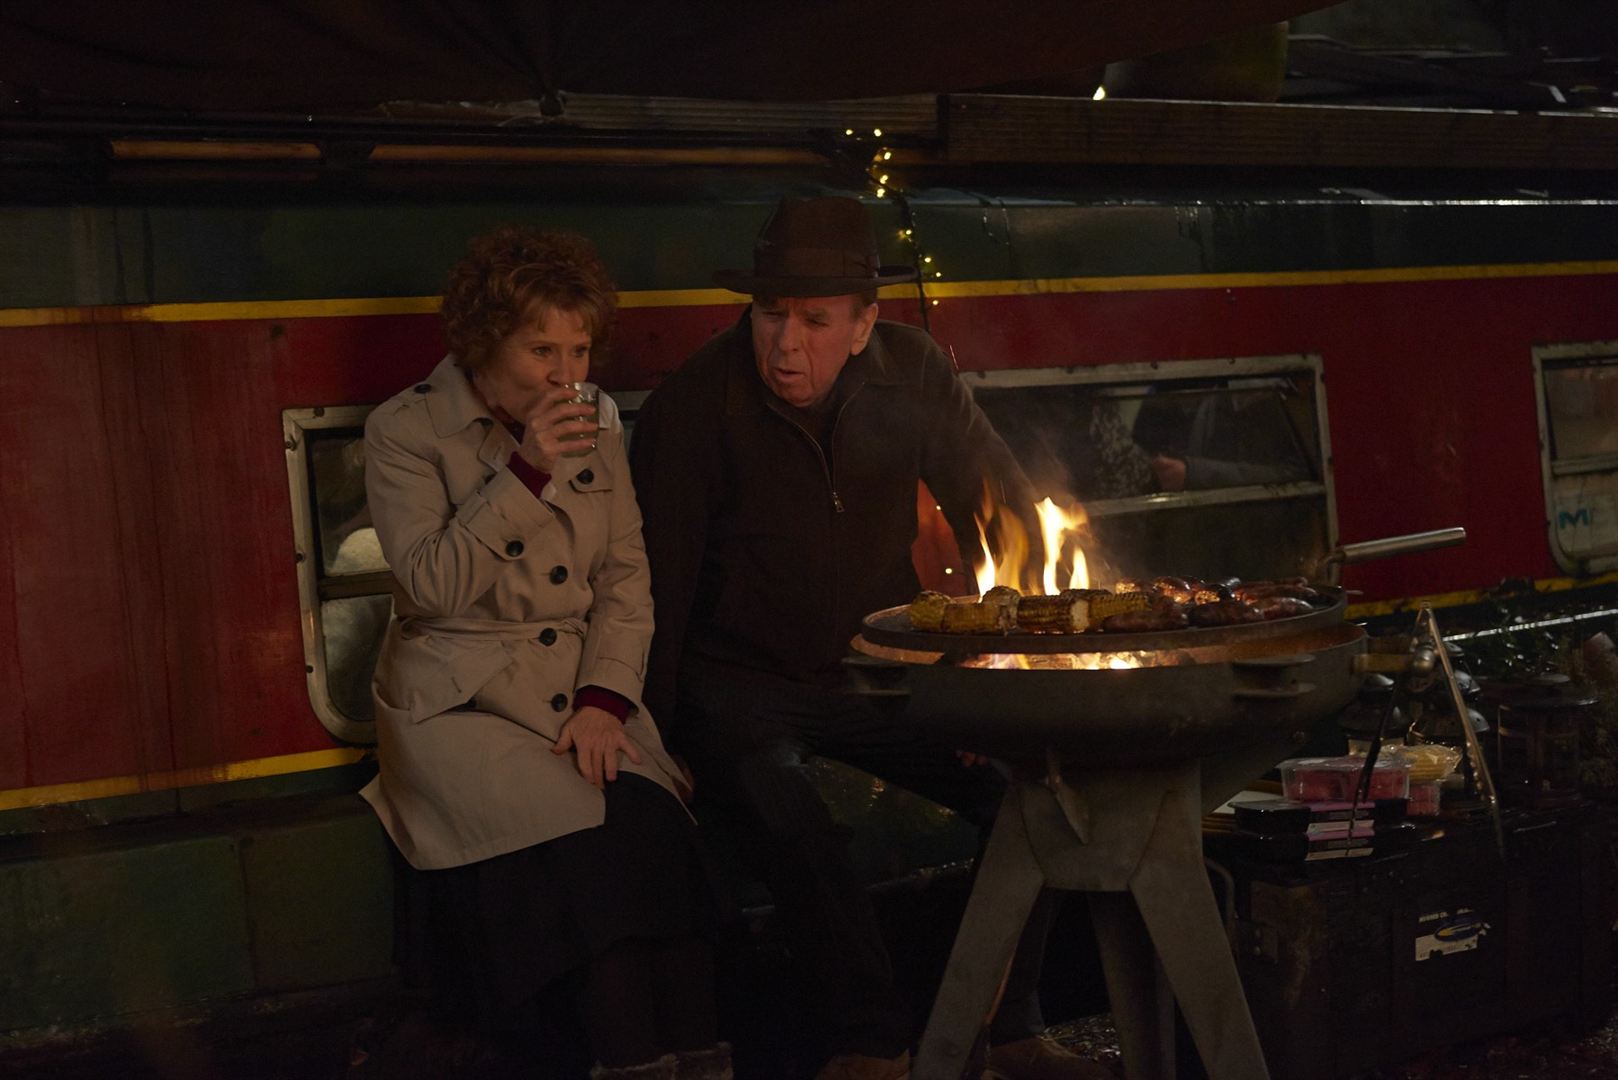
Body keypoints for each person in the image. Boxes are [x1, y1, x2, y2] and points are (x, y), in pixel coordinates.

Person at [630, 197, 1110, 1080]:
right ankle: (872, 1043)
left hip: (874, 669)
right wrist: (650, 737)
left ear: (863, 325)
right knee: (788, 814)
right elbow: (654, 587)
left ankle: (1006, 1028)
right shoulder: (695, 405)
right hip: (738, 683)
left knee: (1028, 790)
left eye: (814, 321)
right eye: (770, 314)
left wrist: (1002, 690)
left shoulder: (913, 370)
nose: (785, 344)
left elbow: (1004, 517)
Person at [361, 226, 728, 1080]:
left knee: (658, 842)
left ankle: (706, 1062)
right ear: (484, 344)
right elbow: (433, 586)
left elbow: (627, 577)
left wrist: (605, 701)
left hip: (576, 689)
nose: (566, 375)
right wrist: (525, 473)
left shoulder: (598, 419)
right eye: (541, 351)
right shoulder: (405, 430)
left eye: (579, 349)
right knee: (585, 852)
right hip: (463, 700)